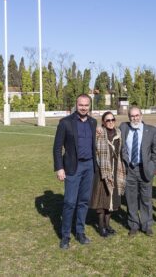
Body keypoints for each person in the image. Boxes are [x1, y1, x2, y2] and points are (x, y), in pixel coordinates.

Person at [53, 94, 97, 249]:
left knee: (84, 201)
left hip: (89, 167)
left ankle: (80, 232)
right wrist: (59, 168)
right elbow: (57, 147)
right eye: (81, 105)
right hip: (73, 167)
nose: (83, 107)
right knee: (70, 202)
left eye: (86, 105)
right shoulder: (65, 123)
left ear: (89, 106)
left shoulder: (93, 122)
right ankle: (65, 236)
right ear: (76, 105)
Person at [119, 106, 156, 236]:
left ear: (141, 116)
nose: (134, 118)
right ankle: (133, 225)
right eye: (132, 116)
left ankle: (147, 225)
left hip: (145, 169)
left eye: (137, 115)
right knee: (131, 199)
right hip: (130, 169)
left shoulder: (151, 130)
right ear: (129, 117)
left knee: (146, 199)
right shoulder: (123, 128)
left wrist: (153, 167)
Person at [90, 111, 126, 238]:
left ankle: (108, 224)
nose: (110, 122)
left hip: (115, 169)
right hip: (102, 171)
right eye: (107, 120)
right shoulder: (98, 133)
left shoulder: (119, 133)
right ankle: (101, 226)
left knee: (113, 200)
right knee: (102, 201)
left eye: (112, 120)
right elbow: (90, 126)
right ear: (103, 122)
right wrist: (97, 128)